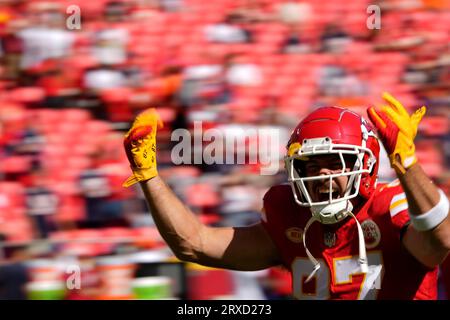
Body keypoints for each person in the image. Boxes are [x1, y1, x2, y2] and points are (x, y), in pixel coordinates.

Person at [122, 93, 450, 300]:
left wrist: (407, 164)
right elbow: (193, 243)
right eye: (311, 164)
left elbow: (441, 241)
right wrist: (149, 177)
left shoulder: (388, 206)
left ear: (365, 165)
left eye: (335, 163)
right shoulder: (290, 217)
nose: (324, 175)